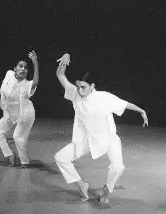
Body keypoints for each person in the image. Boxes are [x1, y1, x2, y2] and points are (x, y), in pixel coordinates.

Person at [54, 52, 148, 205]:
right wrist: (66, 56)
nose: (80, 90)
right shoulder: (75, 94)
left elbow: (124, 104)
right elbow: (60, 76)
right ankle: (81, 185)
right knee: (60, 158)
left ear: (92, 86)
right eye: (78, 87)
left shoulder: (104, 97)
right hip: (87, 140)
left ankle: (107, 189)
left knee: (118, 167)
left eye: (83, 87)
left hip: (108, 139)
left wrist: (141, 111)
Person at [0, 50, 39, 167]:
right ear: (15, 69)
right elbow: (4, 92)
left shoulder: (27, 84)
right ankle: (9, 155)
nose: (23, 69)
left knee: (17, 137)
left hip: (25, 112)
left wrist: (35, 63)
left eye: (26, 68)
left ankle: (25, 162)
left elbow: (35, 82)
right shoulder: (9, 74)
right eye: (20, 66)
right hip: (10, 112)